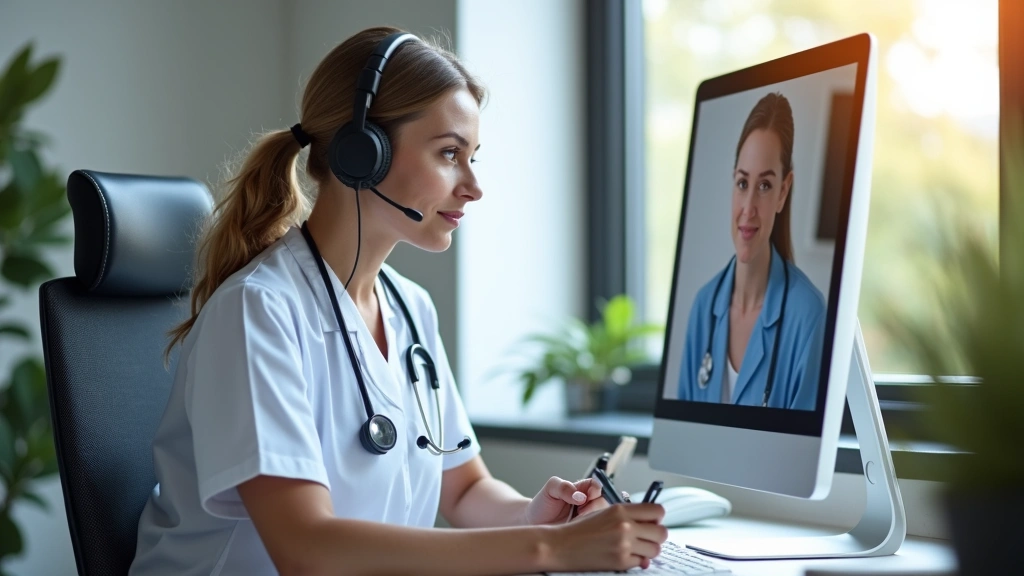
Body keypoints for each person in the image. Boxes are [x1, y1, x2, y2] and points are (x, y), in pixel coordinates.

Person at [128, 27, 667, 576]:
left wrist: (540, 518)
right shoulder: (258, 312)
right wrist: (552, 552)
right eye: (450, 153)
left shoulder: (411, 307)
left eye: (472, 156)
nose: (473, 186)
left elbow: (462, 489)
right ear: (362, 154)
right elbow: (306, 548)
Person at [677, 92, 826, 410]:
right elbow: (686, 448)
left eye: (765, 186)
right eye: (743, 183)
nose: (748, 209)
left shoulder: (808, 317)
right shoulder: (704, 306)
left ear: (783, 192)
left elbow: (800, 458)